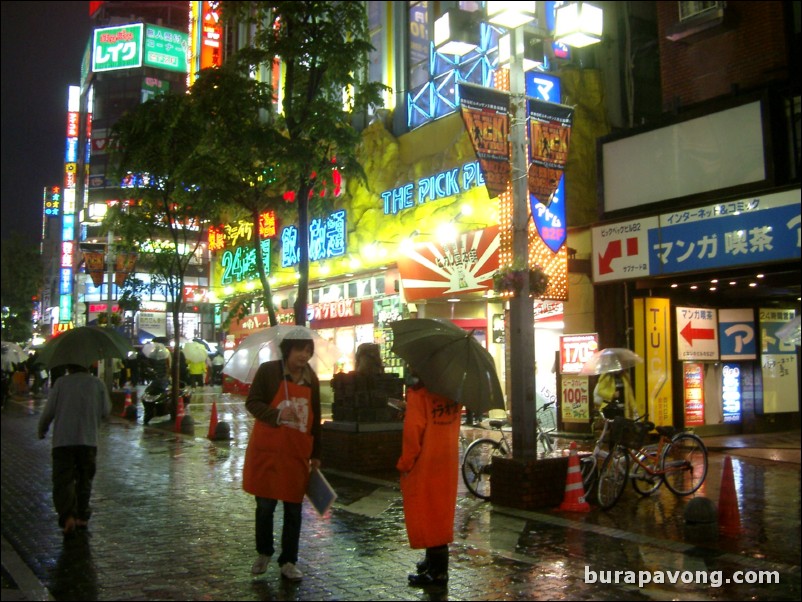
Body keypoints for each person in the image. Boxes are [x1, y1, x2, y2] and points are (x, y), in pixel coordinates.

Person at [242, 335, 322, 581]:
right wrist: (275, 413)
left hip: (296, 452)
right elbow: (252, 402)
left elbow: (316, 418)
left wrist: (317, 453)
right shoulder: (269, 372)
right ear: (288, 350)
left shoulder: (312, 380)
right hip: (267, 449)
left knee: (293, 509)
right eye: (300, 350)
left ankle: (288, 560)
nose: (304, 356)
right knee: (265, 507)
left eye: (308, 351)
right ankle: (264, 552)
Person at [397, 374, 462, 587]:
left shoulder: (418, 395)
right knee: (440, 513)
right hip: (447, 461)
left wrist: (405, 464)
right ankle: (432, 562)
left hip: (425, 464)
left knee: (426, 513)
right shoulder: (454, 393)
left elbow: (413, 435)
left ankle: (437, 572)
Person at [37, 363, 111, 537]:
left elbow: (49, 412)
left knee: (63, 481)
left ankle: (68, 516)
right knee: (84, 480)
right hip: (88, 440)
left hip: (63, 441)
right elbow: (106, 411)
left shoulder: (61, 383)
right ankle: (82, 517)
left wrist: (42, 429)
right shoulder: (97, 384)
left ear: (69, 367)